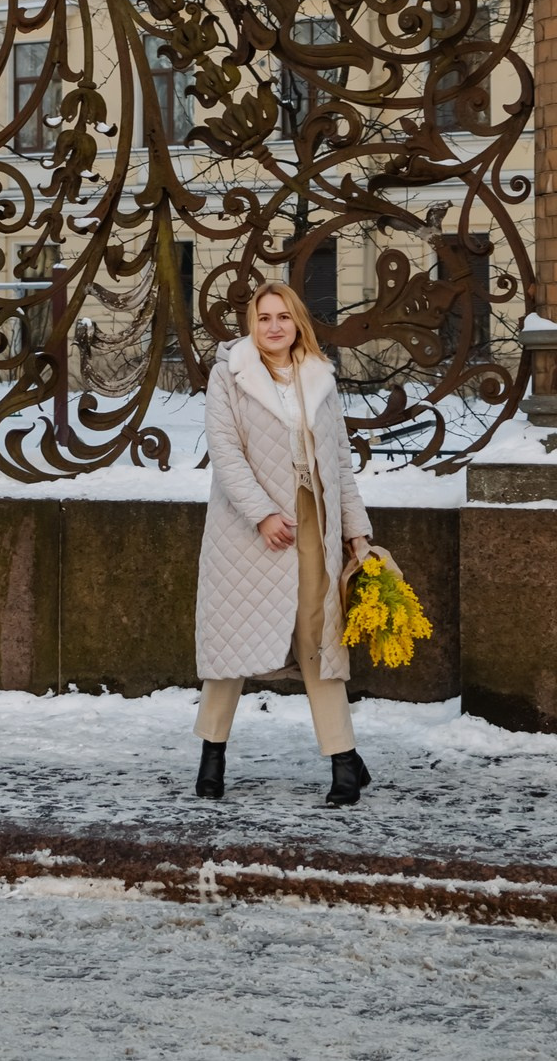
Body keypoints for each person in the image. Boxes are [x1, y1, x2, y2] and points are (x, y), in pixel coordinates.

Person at [193, 281, 374, 807]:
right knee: (230, 645)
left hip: (313, 524)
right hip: (245, 530)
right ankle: (212, 756)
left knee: (321, 638)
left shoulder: (320, 378)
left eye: (283, 317)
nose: (273, 326)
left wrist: (356, 531)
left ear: (298, 323)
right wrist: (263, 515)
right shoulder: (229, 374)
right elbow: (225, 454)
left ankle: (343, 762)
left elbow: (339, 460)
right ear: (251, 323)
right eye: (264, 317)